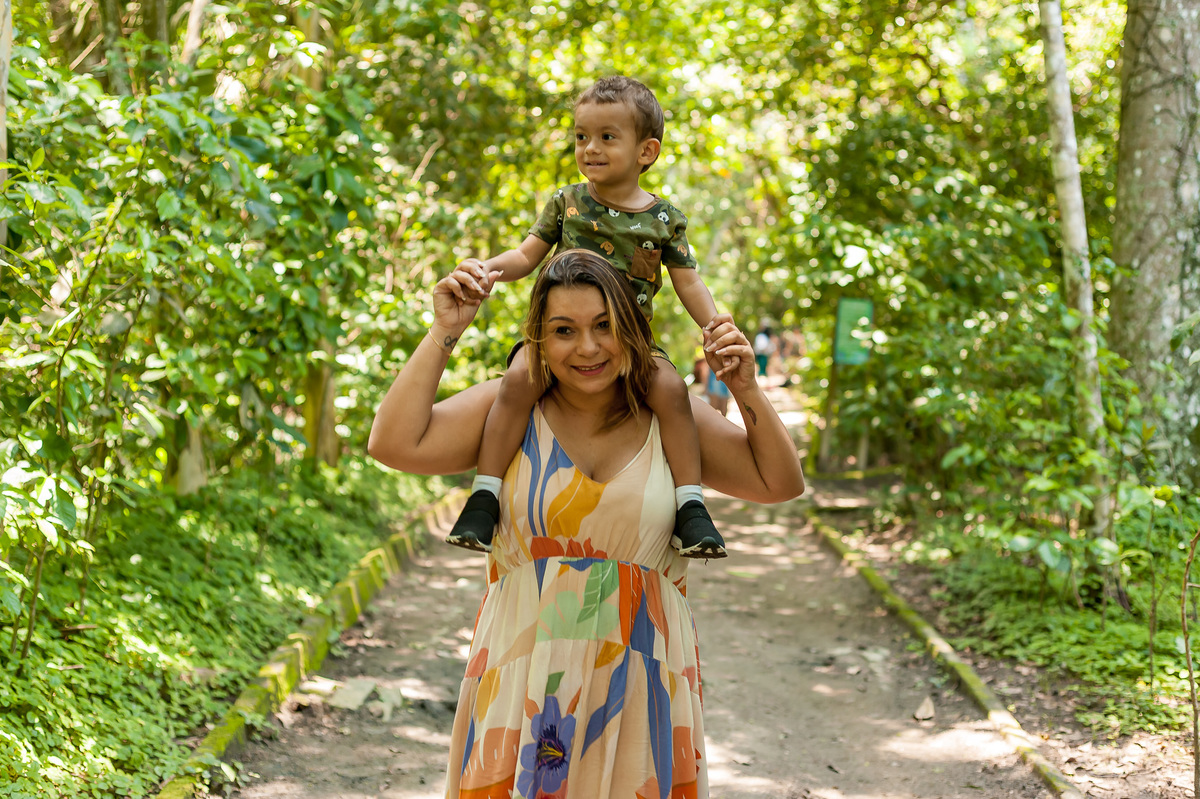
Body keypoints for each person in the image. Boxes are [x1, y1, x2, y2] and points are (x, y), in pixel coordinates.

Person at [367, 250, 804, 797]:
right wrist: (444, 331)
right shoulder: (511, 409)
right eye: (564, 330)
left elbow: (780, 482)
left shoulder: (670, 420)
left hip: (641, 690)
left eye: (605, 325)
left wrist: (745, 389)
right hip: (520, 689)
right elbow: (392, 442)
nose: (588, 347)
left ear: (631, 327)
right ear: (539, 340)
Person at [444, 75, 732, 560]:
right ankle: (485, 495)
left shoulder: (664, 220)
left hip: (632, 345)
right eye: (581, 137)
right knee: (517, 381)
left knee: (670, 391)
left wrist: (718, 327)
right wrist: (485, 270)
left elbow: (688, 283)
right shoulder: (567, 203)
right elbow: (524, 256)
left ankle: (691, 506)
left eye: (606, 137)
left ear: (647, 151)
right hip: (561, 339)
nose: (590, 148)